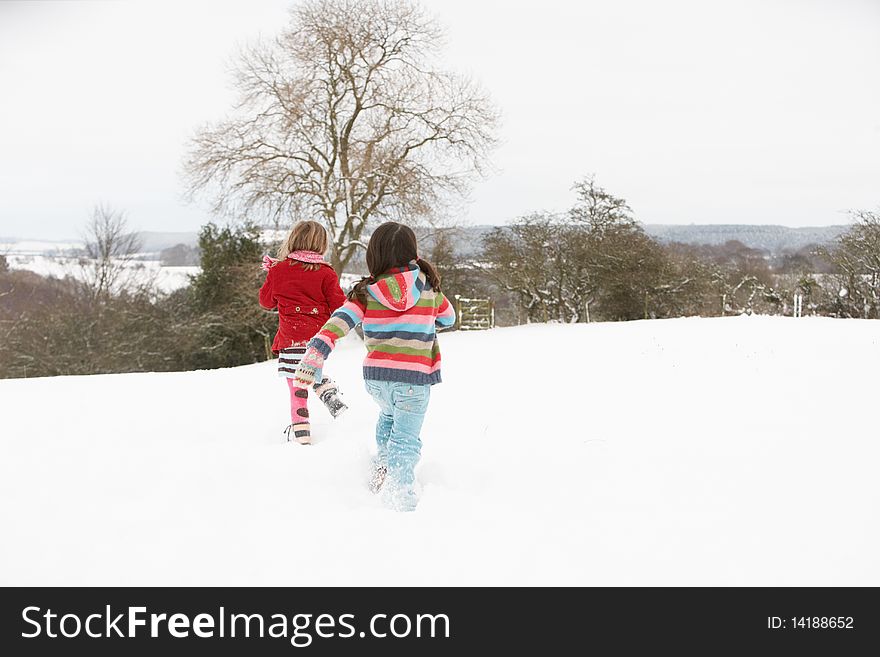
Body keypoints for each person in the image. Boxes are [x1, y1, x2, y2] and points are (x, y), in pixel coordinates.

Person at [292, 222, 456, 511]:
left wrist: (316, 351)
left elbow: (338, 323)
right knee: (405, 440)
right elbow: (448, 319)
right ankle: (400, 498)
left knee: (388, 418)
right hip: (413, 381)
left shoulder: (366, 292)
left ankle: (380, 471)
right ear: (412, 253)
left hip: (378, 380)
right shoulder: (428, 287)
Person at [259, 220, 348, 445]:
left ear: (293, 240)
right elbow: (340, 305)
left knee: (296, 387)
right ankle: (325, 389)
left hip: (289, 338)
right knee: (311, 368)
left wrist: (273, 276)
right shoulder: (326, 273)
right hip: (318, 338)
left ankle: (302, 437)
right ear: (322, 244)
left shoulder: (278, 270)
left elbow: (266, 301)